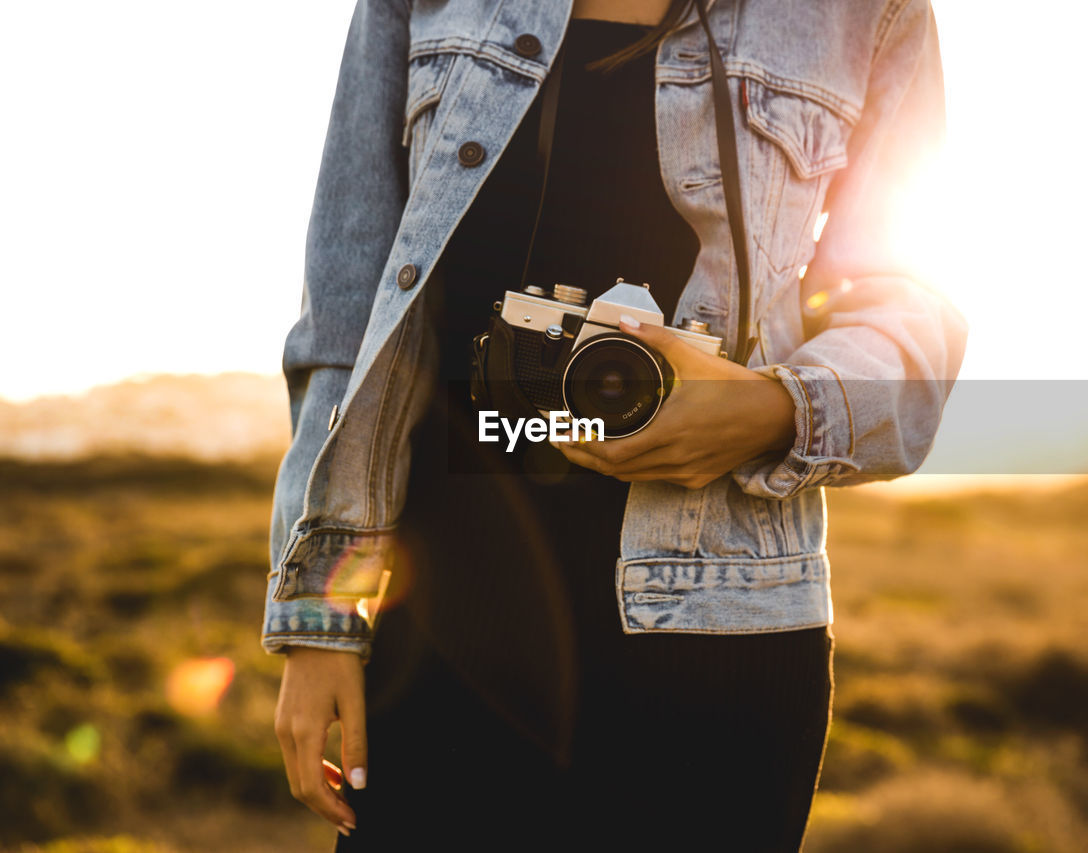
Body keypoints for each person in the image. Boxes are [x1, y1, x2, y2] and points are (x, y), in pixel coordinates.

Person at [262, 0, 966, 849]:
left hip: (718, 650)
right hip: (438, 633)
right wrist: (320, 620)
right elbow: (347, 319)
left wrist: (772, 408)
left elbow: (908, 314)